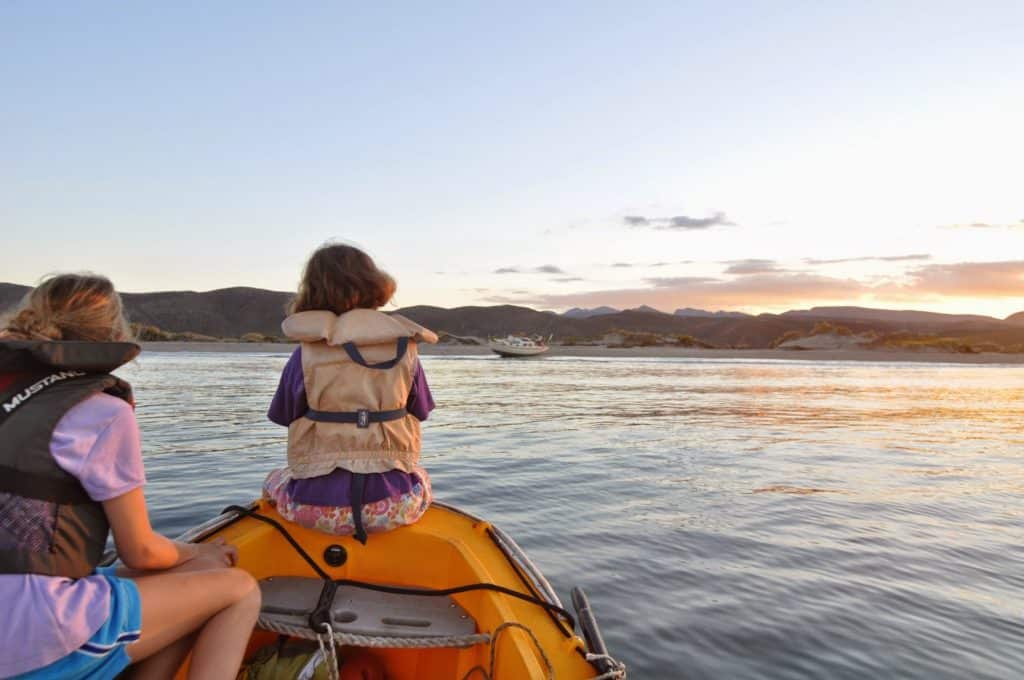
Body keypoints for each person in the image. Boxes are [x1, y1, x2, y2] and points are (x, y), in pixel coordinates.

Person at [0, 274, 261, 679]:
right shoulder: (101, 411)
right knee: (239, 589)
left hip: (17, 604)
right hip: (33, 630)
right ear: (111, 334)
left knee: (177, 590)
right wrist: (199, 552)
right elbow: (139, 551)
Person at [262, 243, 437, 543]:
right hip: (395, 507)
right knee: (420, 475)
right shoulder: (405, 352)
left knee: (272, 481)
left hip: (311, 508)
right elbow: (421, 411)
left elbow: (283, 415)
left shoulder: (303, 356)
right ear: (374, 286)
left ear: (312, 293)